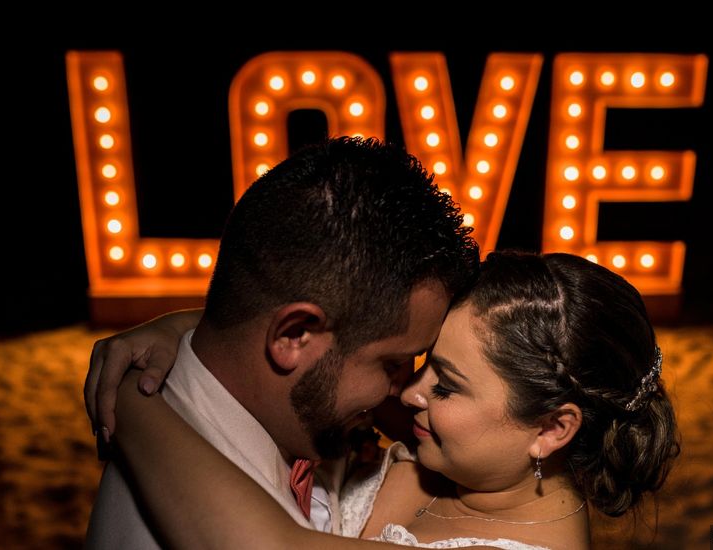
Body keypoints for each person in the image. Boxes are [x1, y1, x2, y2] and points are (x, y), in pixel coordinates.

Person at [92, 251, 679, 549]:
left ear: (553, 428)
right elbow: (316, 347)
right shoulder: (470, 451)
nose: (410, 390)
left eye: (445, 385)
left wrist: (131, 402)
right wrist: (178, 331)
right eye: (422, 363)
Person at [84, 136, 480, 548]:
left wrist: (178, 328)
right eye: (393, 363)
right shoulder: (169, 522)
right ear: (293, 336)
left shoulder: (268, 409)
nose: (406, 391)